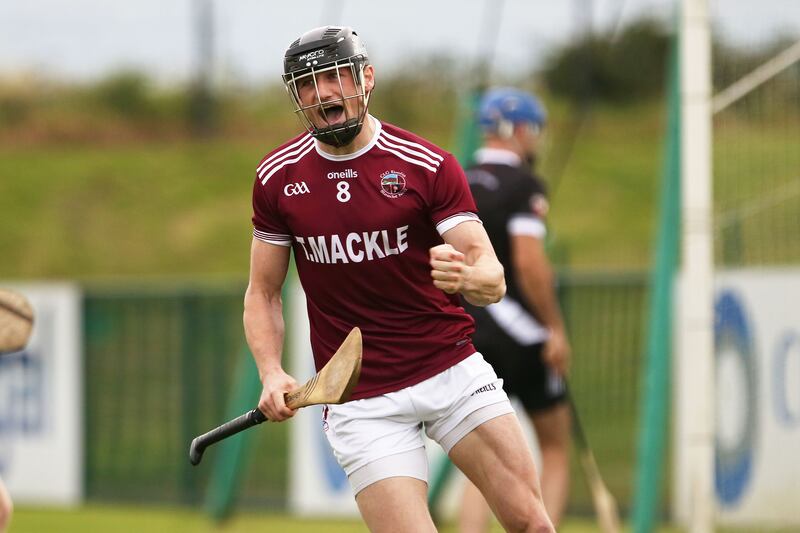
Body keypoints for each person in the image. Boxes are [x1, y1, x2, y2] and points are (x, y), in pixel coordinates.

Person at [245, 26, 555, 532]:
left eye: (333, 76)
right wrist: (270, 371)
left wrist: (469, 277)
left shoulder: (427, 164)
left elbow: (490, 273)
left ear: (366, 78)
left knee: (532, 524)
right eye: (306, 84)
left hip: (450, 370)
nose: (321, 92)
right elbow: (262, 292)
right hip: (361, 401)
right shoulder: (278, 178)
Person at [458, 88, 573, 532]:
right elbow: (528, 263)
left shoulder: (458, 178)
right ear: (521, 130)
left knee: (487, 460)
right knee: (555, 448)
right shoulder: (524, 184)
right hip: (523, 334)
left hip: (469, 334)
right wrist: (556, 330)